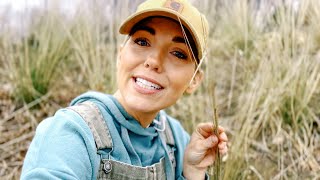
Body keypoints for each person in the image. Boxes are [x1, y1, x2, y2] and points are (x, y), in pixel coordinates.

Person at [21, 0, 228, 179]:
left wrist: (192, 172)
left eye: (178, 53)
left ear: (194, 80)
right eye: (142, 41)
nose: (153, 61)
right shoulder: (72, 132)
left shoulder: (177, 141)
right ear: (120, 55)